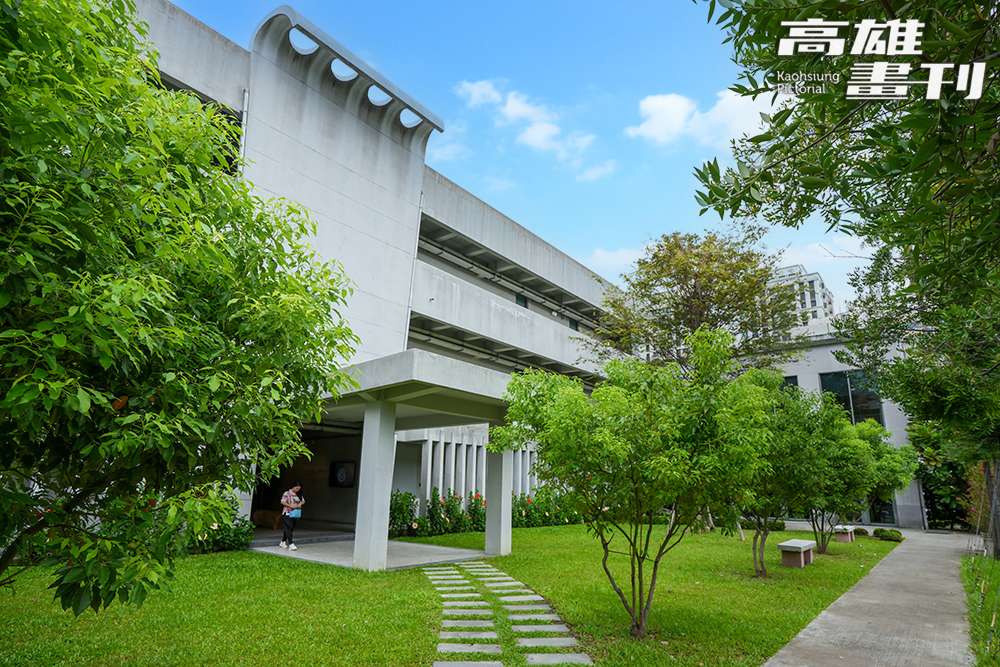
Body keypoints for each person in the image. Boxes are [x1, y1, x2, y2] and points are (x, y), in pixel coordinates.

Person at [279, 483, 305, 551]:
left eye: (298, 489)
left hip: (295, 514)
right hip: (287, 513)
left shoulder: (298, 495)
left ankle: (283, 541)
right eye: (296, 488)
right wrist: (290, 506)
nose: (297, 490)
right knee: (289, 527)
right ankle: (291, 543)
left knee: (290, 528)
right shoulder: (287, 493)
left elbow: (303, 501)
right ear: (293, 487)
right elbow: (282, 501)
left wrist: (300, 504)